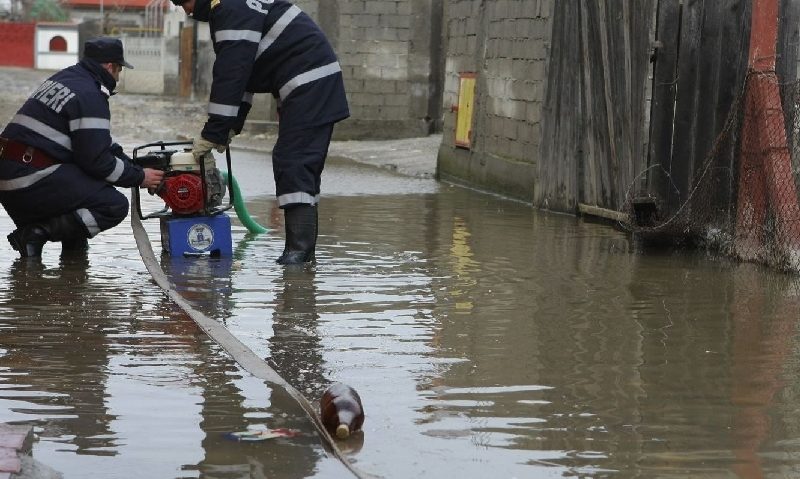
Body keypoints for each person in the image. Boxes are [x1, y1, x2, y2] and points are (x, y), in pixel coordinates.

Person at [171, 0, 350, 265]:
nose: (185, 11)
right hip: (308, 81)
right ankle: (302, 254)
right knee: (295, 162)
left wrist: (214, 130)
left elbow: (231, 74)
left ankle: (298, 255)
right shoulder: (233, 8)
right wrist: (229, 127)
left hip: (309, 82)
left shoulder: (228, 10)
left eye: (183, 2)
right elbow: (244, 75)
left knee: (294, 161)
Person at [0, 37, 164, 257]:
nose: (118, 76)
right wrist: (139, 177)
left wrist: (134, 166)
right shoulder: (90, 94)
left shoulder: (69, 78)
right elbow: (97, 162)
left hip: (14, 177)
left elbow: (98, 144)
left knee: (85, 188)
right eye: (119, 70)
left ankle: (71, 253)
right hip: (28, 180)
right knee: (112, 204)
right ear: (110, 67)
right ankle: (34, 234)